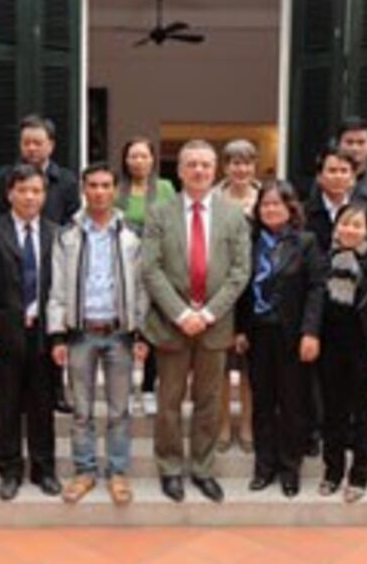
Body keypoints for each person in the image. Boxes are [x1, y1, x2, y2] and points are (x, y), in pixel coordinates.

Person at [142, 139, 251, 503]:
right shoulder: (159, 213)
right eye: (192, 164)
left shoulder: (234, 215)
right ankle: (170, 469)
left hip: (215, 326)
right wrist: (182, 313)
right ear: (180, 170)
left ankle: (203, 469)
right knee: (169, 402)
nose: (200, 170)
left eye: (206, 164)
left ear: (215, 168)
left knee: (209, 402)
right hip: (171, 325)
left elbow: (240, 271)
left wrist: (206, 314)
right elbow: (151, 269)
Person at [47, 164, 148, 505]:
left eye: (106, 185)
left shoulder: (132, 235)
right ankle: (85, 471)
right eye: (93, 185)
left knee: (120, 410)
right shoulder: (67, 235)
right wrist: (58, 335)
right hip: (81, 333)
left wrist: (141, 333)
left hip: (119, 334)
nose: (100, 192)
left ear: (116, 190)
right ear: (83, 190)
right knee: (81, 411)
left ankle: (117, 473)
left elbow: (142, 288)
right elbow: (58, 288)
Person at [0, 164, 61, 501]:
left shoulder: (57, 234)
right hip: (4, 335)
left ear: (44, 195)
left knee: (42, 405)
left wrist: (61, 336)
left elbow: (61, 289)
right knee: (6, 406)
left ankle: (44, 468)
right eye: (23, 190)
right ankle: (9, 469)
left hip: (44, 335)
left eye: (36, 191)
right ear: (10, 193)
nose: (29, 197)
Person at [235, 180, 325, 497]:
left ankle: (290, 469)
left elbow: (317, 289)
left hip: (293, 335)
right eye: (265, 205)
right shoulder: (249, 243)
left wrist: (311, 332)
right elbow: (241, 291)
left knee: (292, 404)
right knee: (262, 404)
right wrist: (241, 329)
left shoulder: (306, 242)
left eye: (277, 204)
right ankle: (264, 467)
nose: (271, 210)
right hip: (258, 335)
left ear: (290, 208)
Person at [0, 113, 80, 414]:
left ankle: (57, 390)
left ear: (50, 145)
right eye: (26, 142)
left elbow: (73, 218)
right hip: (14, 260)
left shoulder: (65, 180)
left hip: (55, 259)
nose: (32, 148)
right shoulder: (4, 178)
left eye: (38, 143)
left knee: (54, 334)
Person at [320, 202, 367, 503]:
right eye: (344, 223)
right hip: (330, 348)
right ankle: (332, 471)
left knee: (363, 414)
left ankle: (359, 475)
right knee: (332, 413)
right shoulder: (325, 259)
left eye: (357, 225)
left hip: (365, 348)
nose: (349, 230)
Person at [114, 136, 177, 417]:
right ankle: (126, 389)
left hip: (156, 266)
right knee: (126, 329)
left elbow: (174, 226)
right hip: (122, 267)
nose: (138, 161)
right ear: (125, 160)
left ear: (153, 159)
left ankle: (149, 387)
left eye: (144, 156)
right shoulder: (117, 188)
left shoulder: (164, 188)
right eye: (133, 156)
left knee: (151, 328)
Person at [214, 139, 261, 454]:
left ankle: (247, 425)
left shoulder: (266, 199)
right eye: (234, 162)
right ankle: (221, 428)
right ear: (225, 166)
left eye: (246, 162)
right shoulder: (213, 199)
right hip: (219, 290)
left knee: (249, 367)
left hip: (257, 290)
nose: (240, 169)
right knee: (219, 365)